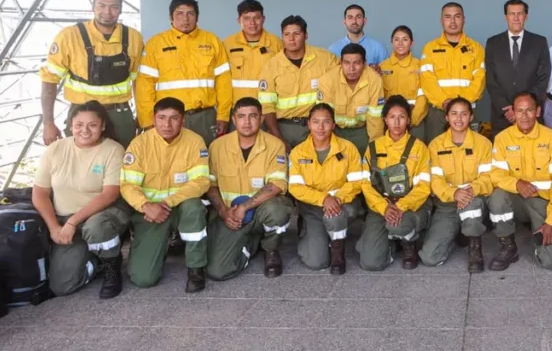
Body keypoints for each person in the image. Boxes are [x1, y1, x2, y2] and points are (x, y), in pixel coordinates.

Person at [31, 101, 129, 299]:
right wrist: (54, 227)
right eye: (78, 125)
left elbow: (110, 194)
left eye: (92, 125)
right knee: (62, 286)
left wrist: (73, 222)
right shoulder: (55, 149)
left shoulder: (113, 150)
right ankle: (95, 259)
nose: (85, 130)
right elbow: (40, 193)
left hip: (101, 215)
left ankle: (111, 264)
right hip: (65, 220)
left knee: (96, 227)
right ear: (70, 125)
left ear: (102, 126)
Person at [121, 97, 210, 292]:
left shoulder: (195, 141)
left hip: (180, 208)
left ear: (183, 120)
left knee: (194, 207)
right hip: (151, 214)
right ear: (153, 119)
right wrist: (146, 206)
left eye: (173, 118)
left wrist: (168, 202)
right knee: (143, 278)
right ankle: (159, 245)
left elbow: (201, 181)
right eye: (161, 118)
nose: (167, 124)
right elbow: (128, 185)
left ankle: (196, 267)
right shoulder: (139, 144)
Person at [40, 0, 143, 148]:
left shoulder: (133, 38)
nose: (107, 12)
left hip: (120, 115)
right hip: (82, 115)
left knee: (123, 162)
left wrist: (143, 116)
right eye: (101, 6)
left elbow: (140, 82)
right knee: (81, 164)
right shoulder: (70, 36)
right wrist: (48, 123)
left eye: (114, 7)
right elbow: (48, 81)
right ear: (92, 7)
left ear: (121, 10)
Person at [204, 97, 291, 281]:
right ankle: (252, 243)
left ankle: (271, 249)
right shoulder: (217, 147)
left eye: (253, 116)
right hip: (231, 216)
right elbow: (210, 186)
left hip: (260, 212)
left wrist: (245, 207)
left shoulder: (274, 145)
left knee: (278, 210)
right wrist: (223, 211)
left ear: (260, 119)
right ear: (234, 119)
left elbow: (276, 184)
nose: (247, 122)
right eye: (241, 116)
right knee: (217, 272)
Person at [487, 92, 552, 271]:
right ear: (513, 112)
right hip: (516, 200)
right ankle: (508, 245)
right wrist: (517, 184)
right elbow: (495, 174)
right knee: (497, 197)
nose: (524, 116)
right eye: (519, 111)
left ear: (538, 111)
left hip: (542, 202)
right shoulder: (503, 138)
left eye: (529, 110)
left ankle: (551, 233)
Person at [136, 0, 232, 145]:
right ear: (171, 17)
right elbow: (144, 85)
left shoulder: (212, 41)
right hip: (169, 119)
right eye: (179, 13)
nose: (185, 19)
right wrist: (147, 121)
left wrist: (223, 115)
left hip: (204, 117)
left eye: (190, 13)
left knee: (207, 161)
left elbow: (224, 81)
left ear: (197, 17)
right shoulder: (156, 44)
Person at [288, 103, 367, 274]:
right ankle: (310, 232)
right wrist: (323, 199)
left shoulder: (348, 148)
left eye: (326, 122)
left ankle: (338, 249)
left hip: (343, 204)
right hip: (313, 208)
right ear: (309, 124)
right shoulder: (298, 153)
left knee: (335, 217)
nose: (321, 127)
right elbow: (295, 187)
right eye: (316, 122)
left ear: (333, 124)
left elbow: (356, 182)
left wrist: (337, 198)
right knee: (317, 262)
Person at [357, 96, 431, 271]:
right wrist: (384, 207)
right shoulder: (373, 147)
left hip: (410, 206)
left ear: (408, 120)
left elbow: (424, 186)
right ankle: (390, 244)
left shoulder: (419, 148)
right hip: (381, 206)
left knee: (396, 225)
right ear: (385, 120)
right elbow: (365, 184)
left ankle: (409, 241)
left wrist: (401, 206)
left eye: (402, 117)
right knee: (370, 263)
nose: (397, 122)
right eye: (392, 117)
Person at [419, 97, 493, 272]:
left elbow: (488, 177)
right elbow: (434, 180)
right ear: (446, 117)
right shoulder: (436, 145)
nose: (458, 119)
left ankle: (474, 247)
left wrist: (468, 191)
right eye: (454, 114)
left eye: (464, 114)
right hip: (447, 205)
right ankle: (454, 236)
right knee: (430, 258)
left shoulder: (483, 144)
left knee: (472, 207)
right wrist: (454, 194)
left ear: (471, 117)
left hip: (474, 199)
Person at [258, 15, 337, 151]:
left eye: (296, 34)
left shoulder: (326, 59)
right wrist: (279, 138)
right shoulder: (271, 66)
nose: (291, 39)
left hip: (315, 128)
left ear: (306, 35)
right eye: (286, 34)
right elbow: (267, 107)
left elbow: (345, 77)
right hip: (282, 129)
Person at [419, 2, 486, 142]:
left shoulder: (476, 48)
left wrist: (459, 105)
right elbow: (427, 80)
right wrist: (445, 102)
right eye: (448, 17)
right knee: (436, 153)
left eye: (457, 16)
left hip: (467, 111)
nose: (453, 21)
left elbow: (479, 80)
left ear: (464, 19)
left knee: (471, 154)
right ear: (441, 20)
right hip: (438, 112)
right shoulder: (429, 48)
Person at [485, 0, 551, 138]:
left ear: (526, 16)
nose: (516, 18)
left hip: (530, 115)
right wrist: (506, 109)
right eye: (512, 14)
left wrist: (526, 107)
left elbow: (544, 76)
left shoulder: (539, 42)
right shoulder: (493, 43)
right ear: (506, 17)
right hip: (502, 115)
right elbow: (491, 80)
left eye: (520, 14)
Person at [317, 43, 385, 153]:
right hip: (335, 131)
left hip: (362, 131)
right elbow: (324, 116)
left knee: (367, 161)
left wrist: (375, 148)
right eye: (347, 63)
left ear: (364, 63)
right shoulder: (328, 80)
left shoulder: (374, 80)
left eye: (357, 63)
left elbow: (375, 119)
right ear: (341, 63)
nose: (351, 68)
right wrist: (326, 142)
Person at [223, 0, 283, 106]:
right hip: (237, 110)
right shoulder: (227, 45)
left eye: (257, 18)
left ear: (263, 19)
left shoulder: (277, 44)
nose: (252, 23)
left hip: (268, 109)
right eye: (246, 18)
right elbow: (221, 80)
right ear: (238, 20)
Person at [380, 25, 429, 141]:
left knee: (416, 154)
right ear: (392, 42)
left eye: (405, 39)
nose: (400, 43)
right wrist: (389, 120)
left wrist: (411, 120)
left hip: (415, 122)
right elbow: (379, 97)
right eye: (396, 39)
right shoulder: (382, 67)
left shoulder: (420, 66)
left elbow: (423, 96)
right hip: (390, 123)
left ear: (412, 43)